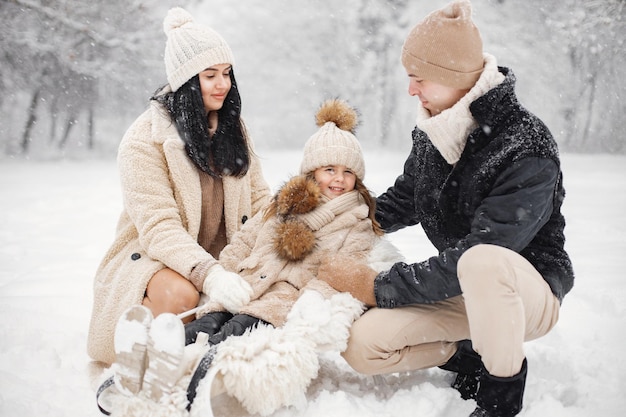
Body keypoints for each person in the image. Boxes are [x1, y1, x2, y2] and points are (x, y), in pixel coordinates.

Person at [317, 1, 575, 417]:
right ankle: (468, 352)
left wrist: (377, 285)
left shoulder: (525, 145)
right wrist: (331, 221)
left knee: (483, 262)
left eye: (418, 78)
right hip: (461, 287)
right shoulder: (435, 131)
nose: (411, 90)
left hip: (525, 293)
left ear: (452, 76)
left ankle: (500, 398)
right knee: (362, 347)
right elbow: (402, 201)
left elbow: (489, 249)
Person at [96, 99, 403, 416]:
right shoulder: (285, 204)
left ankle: (193, 374)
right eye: (329, 170)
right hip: (246, 283)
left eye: (348, 172)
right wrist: (223, 272)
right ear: (312, 172)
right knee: (205, 323)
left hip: (281, 299)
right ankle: (147, 362)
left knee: (232, 334)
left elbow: (341, 270)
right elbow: (246, 239)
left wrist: (314, 300)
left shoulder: (356, 221)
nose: (338, 179)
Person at [87, 7, 271, 367]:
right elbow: (159, 228)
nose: (223, 85)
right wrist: (209, 274)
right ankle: (139, 353)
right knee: (181, 294)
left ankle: (197, 359)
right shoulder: (144, 141)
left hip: (226, 256)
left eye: (227, 73)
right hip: (156, 257)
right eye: (210, 76)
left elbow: (260, 199)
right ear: (186, 81)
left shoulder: (234, 128)